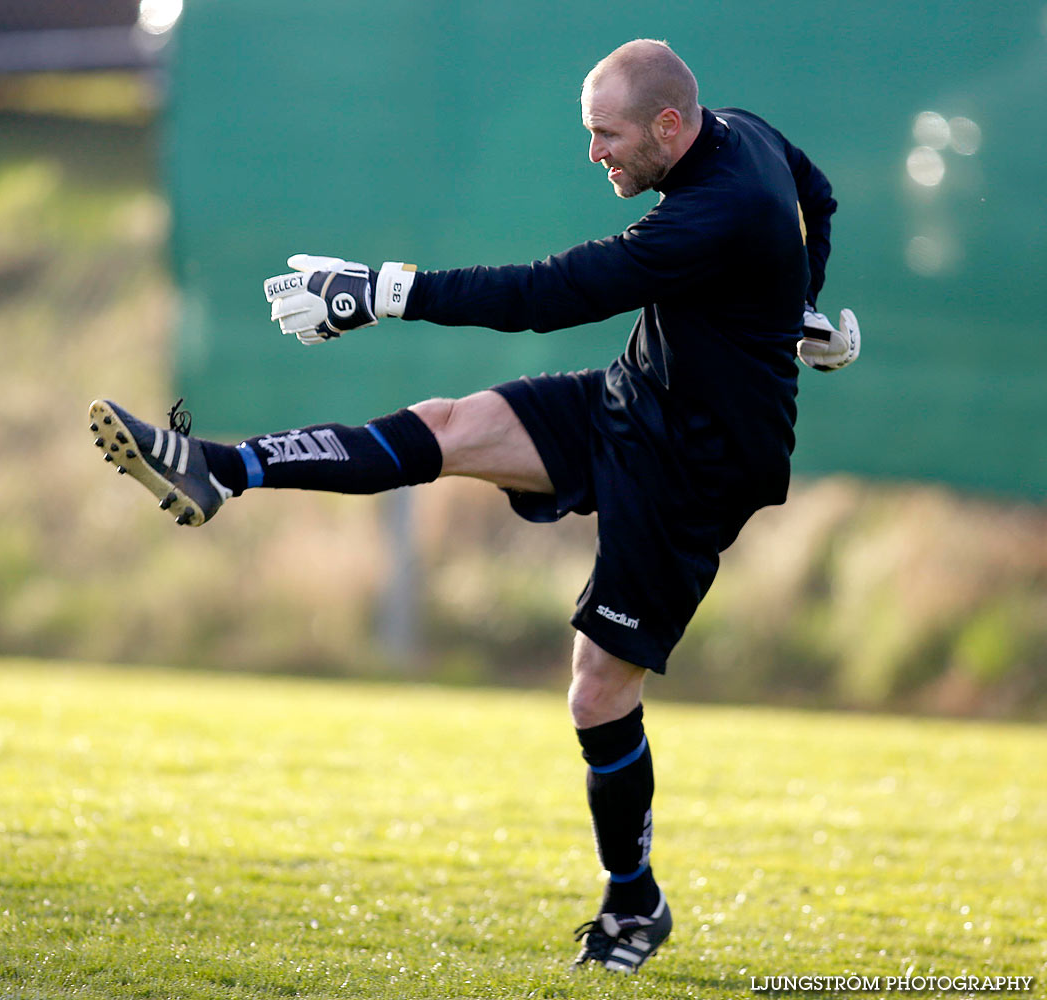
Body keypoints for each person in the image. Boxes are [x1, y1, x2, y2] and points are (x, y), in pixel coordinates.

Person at [88, 38, 859, 974]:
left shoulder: (722, 205)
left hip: (699, 468)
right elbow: (818, 197)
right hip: (637, 398)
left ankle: (634, 908)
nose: (595, 155)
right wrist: (804, 308)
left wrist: (384, 291)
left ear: (668, 125)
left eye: (607, 136)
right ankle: (214, 467)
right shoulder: (744, 136)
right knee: (447, 426)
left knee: (596, 693)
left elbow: (552, 293)